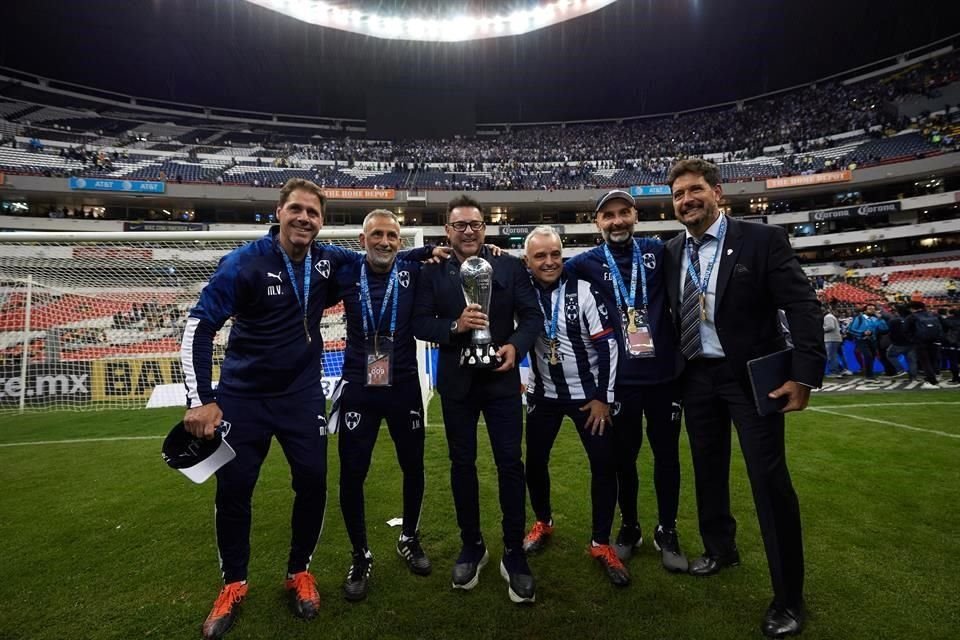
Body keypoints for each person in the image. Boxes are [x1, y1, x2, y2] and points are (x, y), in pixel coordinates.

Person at [181, 178, 389, 640]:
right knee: (234, 489)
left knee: (313, 482)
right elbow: (199, 326)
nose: (304, 219)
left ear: (321, 221)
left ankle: (299, 570)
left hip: (301, 397)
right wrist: (202, 399)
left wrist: (436, 253)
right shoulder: (243, 263)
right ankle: (234, 582)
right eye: (296, 209)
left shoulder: (329, 261)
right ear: (279, 212)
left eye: (313, 213)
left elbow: (380, 259)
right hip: (242, 397)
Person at [663, 159, 824, 638]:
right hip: (695, 376)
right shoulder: (673, 251)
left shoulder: (762, 240)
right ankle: (720, 548)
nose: (686, 200)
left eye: (694, 190)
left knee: (769, 481)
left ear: (717, 192)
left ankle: (789, 598)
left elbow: (801, 303)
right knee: (707, 469)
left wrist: (805, 374)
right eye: (678, 195)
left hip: (751, 378)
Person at [413, 194, 543, 604]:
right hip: (457, 384)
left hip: (501, 381)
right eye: (459, 225)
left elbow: (533, 316)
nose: (468, 231)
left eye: (475, 224)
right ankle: (472, 545)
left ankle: (513, 551)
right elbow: (419, 322)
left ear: (484, 227)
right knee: (462, 465)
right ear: (447, 230)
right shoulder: (432, 272)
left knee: (510, 464)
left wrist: (516, 347)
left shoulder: (508, 265)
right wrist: (454, 325)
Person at [563, 189, 687, 573]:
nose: (616, 221)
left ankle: (667, 529)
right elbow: (542, 272)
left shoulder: (659, 250)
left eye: (623, 213)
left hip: (665, 375)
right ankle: (630, 525)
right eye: (608, 215)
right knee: (624, 459)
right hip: (622, 381)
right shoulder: (584, 263)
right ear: (596, 222)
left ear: (635, 215)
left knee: (667, 457)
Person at [326, 209, 439, 601]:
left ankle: (408, 537)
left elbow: (445, 256)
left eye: (392, 235)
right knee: (352, 473)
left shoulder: (412, 270)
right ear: (362, 240)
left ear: (400, 242)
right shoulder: (345, 270)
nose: (385, 241)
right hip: (359, 387)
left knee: (413, 465)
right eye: (377, 234)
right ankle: (360, 554)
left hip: (404, 386)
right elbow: (312, 249)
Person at [519, 226, 627, 586]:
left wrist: (602, 398)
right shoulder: (521, 291)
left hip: (588, 400)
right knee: (534, 463)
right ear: (527, 261)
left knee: (603, 465)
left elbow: (608, 347)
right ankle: (543, 521)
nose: (549, 262)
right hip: (542, 396)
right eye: (540, 256)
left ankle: (600, 542)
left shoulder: (583, 292)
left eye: (555, 254)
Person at [904, 301, 943, 389]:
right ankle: (933, 378)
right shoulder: (934, 315)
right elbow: (942, 326)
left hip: (920, 342)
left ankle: (931, 382)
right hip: (935, 341)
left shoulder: (911, 317)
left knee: (925, 362)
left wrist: (913, 340)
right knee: (933, 361)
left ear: (912, 308)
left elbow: (905, 330)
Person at [846, 303, 886, 379]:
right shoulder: (859, 318)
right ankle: (869, 376)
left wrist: (881, 319)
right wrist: (862, 333)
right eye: (870, 309)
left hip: (873, 341)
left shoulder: (876, 319)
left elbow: (884, 329)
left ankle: (869, 373)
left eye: (873, 309)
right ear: (865, 310)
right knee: (868, 356)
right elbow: (851, 329)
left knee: (872, 357)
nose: (872, 310)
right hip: (862, 340)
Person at [886, 305, 917, 382]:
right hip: (912, 343)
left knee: (890, 355)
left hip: (898, 343)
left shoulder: (894, 321)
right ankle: (913, 378)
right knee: (912, 361)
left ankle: (900, 370)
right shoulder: (913, 319)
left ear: (898, 312)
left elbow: (890, 332)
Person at [822, 306, 844, 376]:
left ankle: (834, 372)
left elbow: (830, 327)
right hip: (834, 339)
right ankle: (841, 369)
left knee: (831, 356)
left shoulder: (828, 317)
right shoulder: (829, 316)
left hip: (831, 339)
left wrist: (819, 329)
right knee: (833, 356)